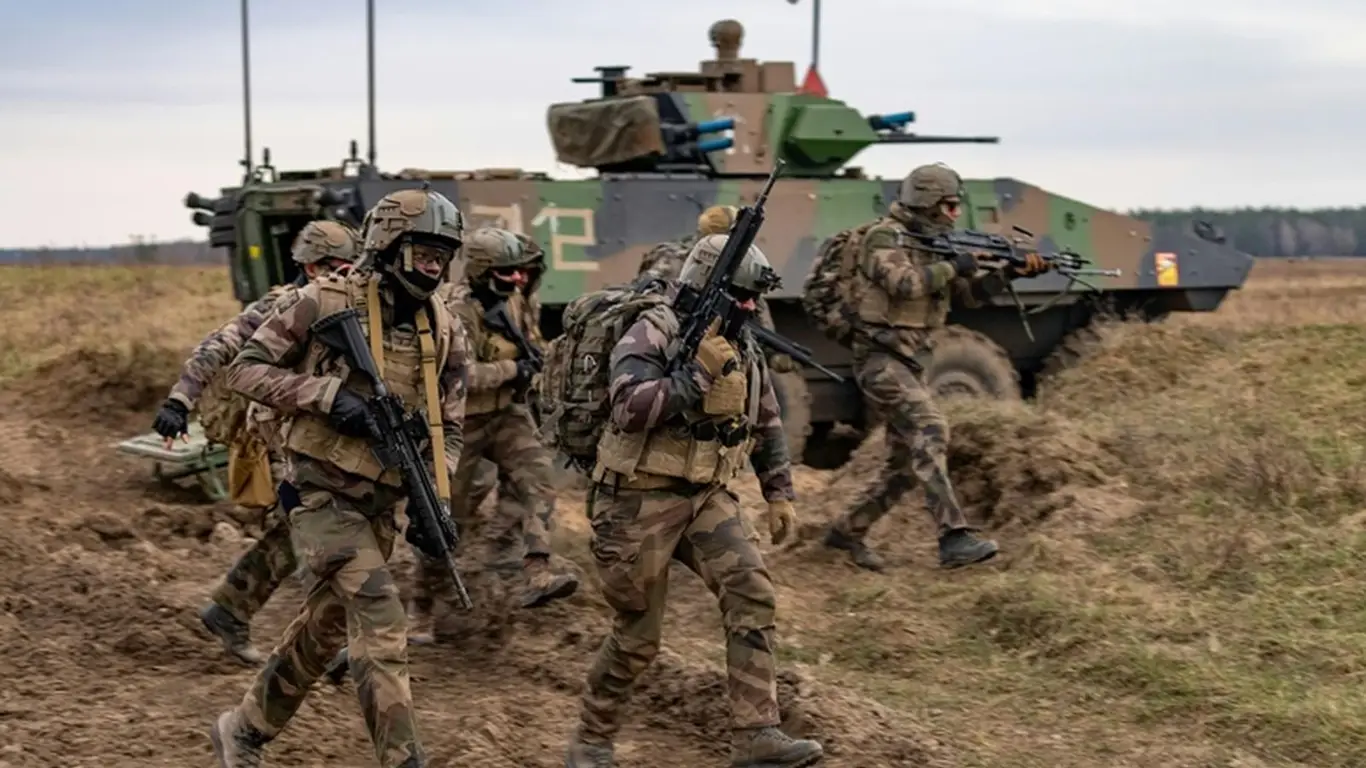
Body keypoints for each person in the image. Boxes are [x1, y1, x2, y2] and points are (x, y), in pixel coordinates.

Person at [208, 189, 470, 768]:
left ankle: (244, 729)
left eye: (442, 257)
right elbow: (245, 371)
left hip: (381, 504)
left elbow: (450, 427)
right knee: (381, 621)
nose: (433, 268)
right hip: (320, 492)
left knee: (324, 627)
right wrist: (327, 396)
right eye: (423, 254)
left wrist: (436, 497)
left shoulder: (445, 327)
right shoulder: (323, 301)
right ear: (389, 246)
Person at [564, 233, 823, 768]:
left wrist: (779, 493)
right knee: (638, 635)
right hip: (636, 499)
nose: (749, 307)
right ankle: (591, 740)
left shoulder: (741, 343)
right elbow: (628, 407)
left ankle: (756, 734)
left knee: (751, 592)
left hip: (706, 496)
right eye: (741, 296)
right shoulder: (654, 328)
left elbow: (766, 420)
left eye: (754, 298)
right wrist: (696, 375)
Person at [151, 220, 358, 664]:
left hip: (325, 436)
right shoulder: (282, 305)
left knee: (295, 530)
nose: (343, 276)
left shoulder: (349, 309)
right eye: (334, 267)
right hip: (281, 436)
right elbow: (218, 346)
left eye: (349, 267)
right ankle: (325, 642)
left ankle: (230, 610)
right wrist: (179, 400)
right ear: (309, 266)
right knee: (311, 525)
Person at [822, 163, 1048, 571]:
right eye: (950, 206)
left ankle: (847, 532)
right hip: (880, 358)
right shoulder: (884, 237)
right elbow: (904, 283)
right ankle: (953, 537)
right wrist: (956, 264)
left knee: (906, 466)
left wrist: (1008, 274)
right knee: (931, 428)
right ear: (927, 203)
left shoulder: (935, 244)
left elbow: (969, 296)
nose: (956, 215)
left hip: (913, 360)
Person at [410, 226, 577, 637]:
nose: (517, 279)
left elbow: (532, 344)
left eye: (519, 272)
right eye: (507, 273)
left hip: (506, 414)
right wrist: (512, 369)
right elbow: (457, 375)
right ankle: (423, 605)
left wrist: (542, 365)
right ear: (482, 271)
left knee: (539, 482)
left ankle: (536, 570)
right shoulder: (451, 310)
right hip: (460, 422)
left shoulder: (515, 300)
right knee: (446, 518)